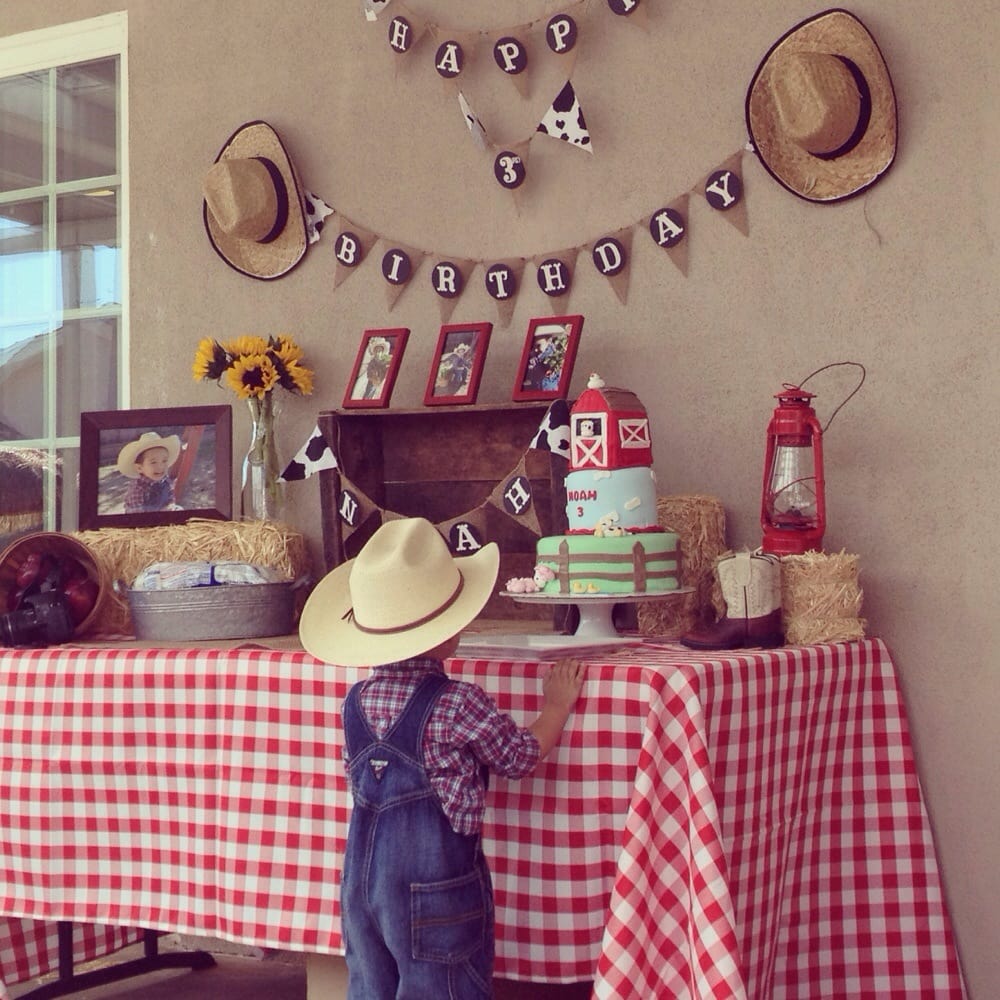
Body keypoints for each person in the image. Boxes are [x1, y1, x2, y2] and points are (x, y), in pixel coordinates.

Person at [299, 517, 585, 999]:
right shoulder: (458, 703)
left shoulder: (354, 703)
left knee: (370, 986)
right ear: (448, 633)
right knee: (442, 987)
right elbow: (518, 758)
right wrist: (555, 706)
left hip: (363, 889)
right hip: (436, 890)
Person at [116, 431, 182, 513]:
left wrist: (170, 505)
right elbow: (134, 512)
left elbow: (170, 497)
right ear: (140, 468)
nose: (160, 466)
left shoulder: (165, 480)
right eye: (153, 462)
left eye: (164, 461)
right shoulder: (138, 488)